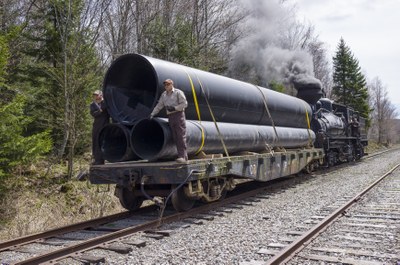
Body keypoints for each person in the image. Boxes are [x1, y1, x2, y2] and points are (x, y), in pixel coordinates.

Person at [150, 79, 188, 163]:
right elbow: (159, 105)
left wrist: (175, 108)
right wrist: (152, 114)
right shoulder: (164, 95)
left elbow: (184, 104)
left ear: (172, 84)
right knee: (174, 136)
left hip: (178, 115)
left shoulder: (178, 92)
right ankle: (179, 155)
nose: (166, 86)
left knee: (180, 136)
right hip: (170, 117)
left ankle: (183, 157)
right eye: (165, 85)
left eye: (168, 84)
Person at [90, 90, 110, 165]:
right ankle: (97, 159)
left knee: (103, 141)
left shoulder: (105, 103)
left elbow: (108, 111)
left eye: (97, 95)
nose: (95, 96)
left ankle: (105, 158)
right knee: (96, 141)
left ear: (101, 95)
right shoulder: (93, 105)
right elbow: (93, 113)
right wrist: (100, 111)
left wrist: (100, 110)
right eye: (94, 95)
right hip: (97, 126)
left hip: (105, 125)